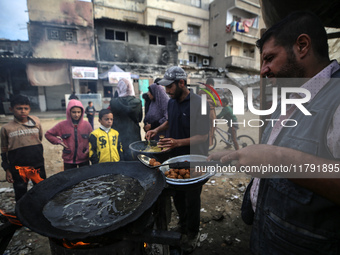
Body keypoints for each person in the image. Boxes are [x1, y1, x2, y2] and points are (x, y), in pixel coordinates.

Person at [208, 11, 340, 254]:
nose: (263, 70)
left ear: (302, 46)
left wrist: (276, 160)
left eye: (269, 58)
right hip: (266, 233)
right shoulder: (289, 92)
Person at [146, 66, 210, 253]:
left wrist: (177, 142)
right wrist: (157, 130)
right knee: (177, 194)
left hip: (195, 159)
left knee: (192, 197)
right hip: (175, 158)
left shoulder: (200, 103)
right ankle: (182, 225)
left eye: (170, 87)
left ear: (182, 83)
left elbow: (203, 136)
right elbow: (170, 122)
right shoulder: (172, 102)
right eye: (164, 87)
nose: (166, 91)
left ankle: (192, 233)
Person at [1, 95, 46, 201]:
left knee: (41, 189)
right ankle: (22, 214)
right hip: (18, 167)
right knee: (20, 191)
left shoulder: (36, 122)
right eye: (19, 108)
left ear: (29, 109)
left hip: (37, 164)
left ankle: (40, 211)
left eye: (26, 108)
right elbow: (4, 150)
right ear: (11, 109)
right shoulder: (6, 128)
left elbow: (40, 138)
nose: (23, 111)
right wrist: (7, 169)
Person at [45, 99, 92, 170]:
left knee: (84, 179)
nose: (76, 115)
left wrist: (88, 150)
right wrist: (59, 141)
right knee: (70, 179)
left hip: (84, 159)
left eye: (79, 112)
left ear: (82, 112)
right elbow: (48, 134)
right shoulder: (62, 125)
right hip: (68, 160)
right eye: (74, 112)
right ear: (69, 112)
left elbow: (92, 139)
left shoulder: (87, 125)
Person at [109, 78, 142, 161]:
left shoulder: (113, 102)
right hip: (133, 134)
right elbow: (139, 118)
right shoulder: (137, 102)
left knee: (120, 157)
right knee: (133, 156)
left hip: (118, 134)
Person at [198, 78, 221, 147]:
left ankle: (209, 146)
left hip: (212, 113)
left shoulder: (214, 93)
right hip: (203, 113)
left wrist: (212, 101)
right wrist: (206, 101)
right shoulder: (201, 92)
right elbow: (198, 101)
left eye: (212, 86)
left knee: (211, 130)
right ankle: (204, 145)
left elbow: (219, 103)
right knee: (204, 130)